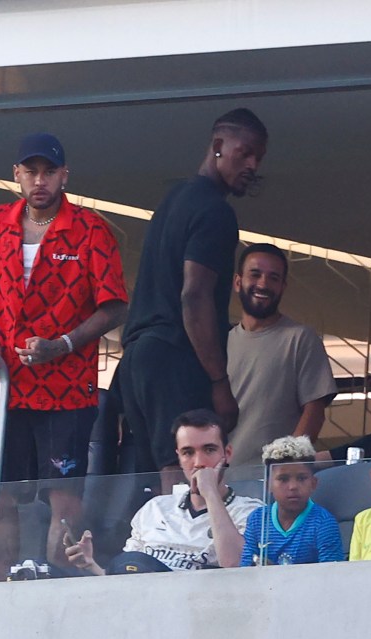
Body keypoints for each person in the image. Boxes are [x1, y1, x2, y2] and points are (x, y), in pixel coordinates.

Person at [0, 132, 128, 565]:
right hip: (7, 387)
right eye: (31, 171)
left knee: (65, 502)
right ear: (16, 174)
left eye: (49, 171)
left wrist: (63, 345)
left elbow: (114, 308)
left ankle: (60, 592)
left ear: (64, 175)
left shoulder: (91, 228)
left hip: (67, 389)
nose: (40, 180)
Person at [120, 108, 268, 476]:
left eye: (258, 157)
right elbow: (194, 296)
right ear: (218, 145)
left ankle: (154, 536)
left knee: (152, 476)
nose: (252, 164)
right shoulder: (215, 211)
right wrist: (220, 382)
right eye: (245, 152)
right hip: (174, 355)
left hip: (137, 358)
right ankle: (177, 537)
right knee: (187, 466)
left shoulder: (173, 200)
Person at [64, 409, 263, 574]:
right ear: (178, 457)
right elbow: (125, 577)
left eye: (209, 450)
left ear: (227, 454)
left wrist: (210, 494)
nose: (199, 462)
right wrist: (91, 565)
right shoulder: (155, 507)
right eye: (188, 453)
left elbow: (236, 566)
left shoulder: (251, 512)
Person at [227, 243, 337, 466]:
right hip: (224, 482)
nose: (263, 284)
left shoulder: (300, 338)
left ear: (283, 287)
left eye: (274, 278)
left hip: (275, 483)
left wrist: (287, 468)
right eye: (255, 274)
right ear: (238, 282)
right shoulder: (221, 343)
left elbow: (314, 412)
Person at [239, 436, 342, 566]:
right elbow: (246, 570)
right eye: (283, 479)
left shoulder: (324, 523)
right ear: (267, 485)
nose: (293, 486)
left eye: (301, 478)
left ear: (313, 483)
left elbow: (332, 576)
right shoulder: (257, 520)